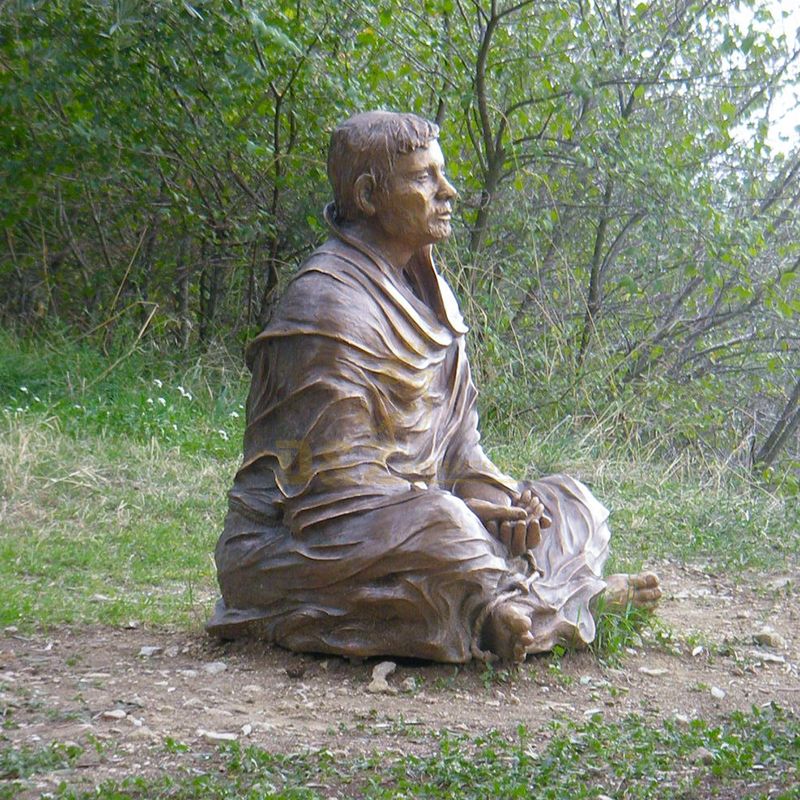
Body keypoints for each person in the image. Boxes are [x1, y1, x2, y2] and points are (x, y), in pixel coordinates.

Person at [207, 110, 661, 663]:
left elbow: (458, 449)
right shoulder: (324, 304)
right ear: (370, 195)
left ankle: (504, 606)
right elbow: (329, 496)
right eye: (424, 178)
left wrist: (499, 501)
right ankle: (557, 604)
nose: (447, 192)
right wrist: (460, 510)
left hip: (415, 514)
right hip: (307, 541)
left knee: (570, 503)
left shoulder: (434, 295)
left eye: (441, 175)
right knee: (446, 530)